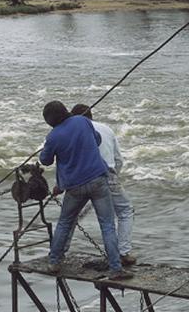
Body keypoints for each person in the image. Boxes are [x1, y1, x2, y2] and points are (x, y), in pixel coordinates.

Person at [39, 101, 133, 280]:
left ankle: (54, 261)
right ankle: (116, 269)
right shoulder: (82, 121)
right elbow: (96, 139)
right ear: (65, 111)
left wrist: (49, 147)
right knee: (107, 225)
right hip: (98, 180)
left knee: (65, 223)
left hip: (74, 187)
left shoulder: (53, 137)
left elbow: (45, 160)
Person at [71, 104, 136, 266]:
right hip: (107, 175)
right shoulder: (106, 129)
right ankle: (123, 252)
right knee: (125, 211)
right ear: (91, 116)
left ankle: (59, 252)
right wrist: (115, 176)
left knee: (70, 216)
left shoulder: (74, 131)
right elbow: (118, 159)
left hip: (81, 177)